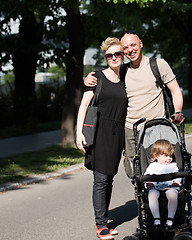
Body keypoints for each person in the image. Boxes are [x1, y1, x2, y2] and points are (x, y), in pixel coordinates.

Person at [84, 31, 185, 179]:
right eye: (125, 48)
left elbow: (175, 90)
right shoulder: (123, 70)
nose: (130, 49)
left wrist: (178, 111)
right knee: (135, 171)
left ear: (141, 44)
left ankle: (164, 198)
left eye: (133, 45)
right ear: (123, 52)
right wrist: (88, 79)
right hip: (131, 129)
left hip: (156, 126)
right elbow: (106, 78)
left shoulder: (158, 65)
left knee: (162, 166)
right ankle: (143, 201)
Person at [76, 37, 127, 240]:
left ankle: (104, 220)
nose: (114, 58)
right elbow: (84, 105)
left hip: (119, 132)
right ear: (105, 57)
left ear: (122, 55)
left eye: (117, 54)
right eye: (109, 55)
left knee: (110, 177)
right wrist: (79, 132)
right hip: (100, 132)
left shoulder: (126, 76)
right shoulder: (97, 77)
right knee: (101, 179)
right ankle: (100, 225)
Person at [144, 139, 181, 230]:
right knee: (152, 194)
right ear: (156, 155)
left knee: (172, 194)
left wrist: (176, 182)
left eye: (170, 156)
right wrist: (149, 183)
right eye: (166, 156)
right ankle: (157, 219)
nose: (169, 158)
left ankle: (170, 219)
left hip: (169, 187)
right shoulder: (153, 166)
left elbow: (178, 176)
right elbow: (146, 177)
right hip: (155, 187)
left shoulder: (173, 165)